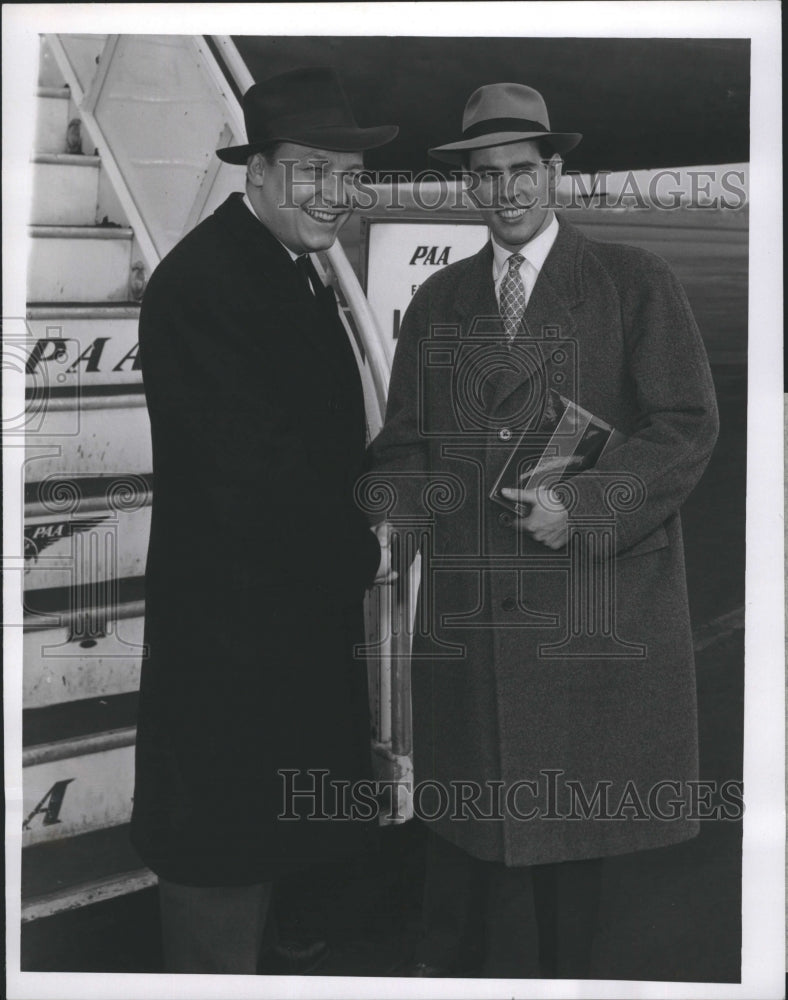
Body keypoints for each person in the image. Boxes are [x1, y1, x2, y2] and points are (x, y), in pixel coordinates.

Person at [369, 82, 719, 978]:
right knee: (467, 873)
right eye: (487, 177)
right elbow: (403, 444)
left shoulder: (633, 281)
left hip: (586, 624)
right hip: (477, 625)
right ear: (472, 189)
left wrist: (589, 504)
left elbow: (686, 424)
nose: (507, 192)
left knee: (574, 885)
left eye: (523, 171)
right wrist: (398, 507)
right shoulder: (442, 303)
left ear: (555, 173)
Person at [130, 68, 397, 974]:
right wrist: (374, 542)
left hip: (275, 633)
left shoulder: (286, 266)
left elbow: (314, 443)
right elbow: (256, 483)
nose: (335, 194)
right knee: (217, 872)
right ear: (258, 170)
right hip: (230, 648)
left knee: (261, 850)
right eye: (311, 170)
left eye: (347, 173)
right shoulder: (210, 283)